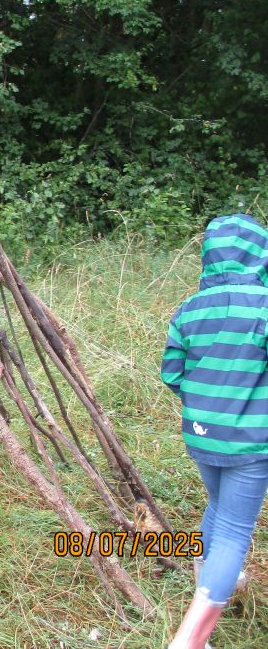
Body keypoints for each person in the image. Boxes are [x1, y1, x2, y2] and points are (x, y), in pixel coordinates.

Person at [161, 214, 268, 648]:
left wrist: (207, 404)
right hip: (253, 443)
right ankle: (191, 639)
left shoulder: (189, 309)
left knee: (219, 507)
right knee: (234, 531)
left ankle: (211, 579)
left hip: (201, 436)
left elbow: (171, 373)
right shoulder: (263, 305)